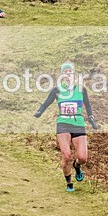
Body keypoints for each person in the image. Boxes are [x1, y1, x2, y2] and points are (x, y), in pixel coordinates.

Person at [34, 62, 98, 192]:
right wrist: (40, 111)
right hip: (63, 124)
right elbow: (47, 102)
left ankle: (77, 166)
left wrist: (91, 118)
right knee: (67, 155)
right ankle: (69, 183)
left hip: (78, 124)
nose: (68, 74)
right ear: (62, 75)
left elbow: (88, 104)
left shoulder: (80, 89)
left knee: (82, 158)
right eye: (65, 72)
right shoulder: (57, 90)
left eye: (70, 72)